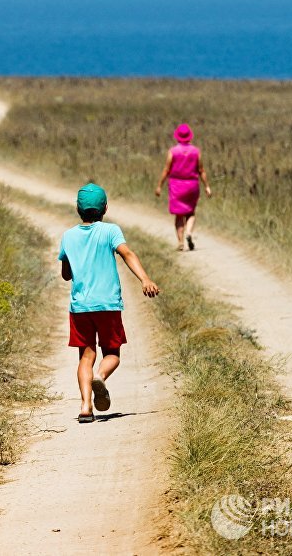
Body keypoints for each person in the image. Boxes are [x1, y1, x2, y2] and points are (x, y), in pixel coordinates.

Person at [59, 183, 160, 423]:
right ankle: (101, 376)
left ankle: (85, 407)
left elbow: (66, 274)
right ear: (105, 208)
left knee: (86, 355)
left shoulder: (68, 236)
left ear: (77, 209)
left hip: (81, 307)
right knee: (112, 352)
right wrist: (145, 278)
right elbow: (127, 254)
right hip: (108, 304)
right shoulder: (110, 231)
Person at [154, 123, 212, 251]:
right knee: (190, 212)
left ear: (177, 137)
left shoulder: (173, 152)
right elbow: (201, 170)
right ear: (190, 137)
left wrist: (159, 186)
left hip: (176, 186)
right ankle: (189, 233)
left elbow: (166, 170)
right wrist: (207, 186)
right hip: (192, 185)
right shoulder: (196, 151)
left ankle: (180, 242)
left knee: (179, 215)